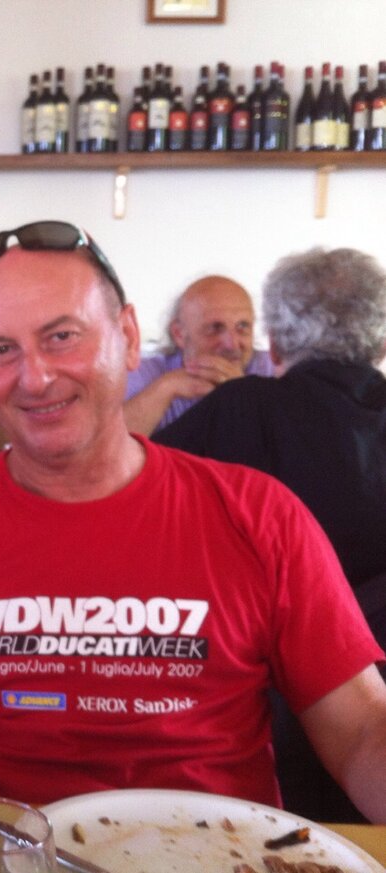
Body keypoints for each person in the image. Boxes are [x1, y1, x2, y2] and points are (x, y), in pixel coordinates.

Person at [0, 220, 386, 823]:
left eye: (62, 337)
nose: (35, 378)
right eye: (1, 350)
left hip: (218, 850)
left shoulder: (262, 515)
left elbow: (362, 730)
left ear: (128, 335)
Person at [153, 246, 386, 822]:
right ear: (380, 344)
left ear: (274, 344)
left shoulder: (240, 407)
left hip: (256, 716)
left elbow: (127, 486)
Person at [124, 275, 275, 435]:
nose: (231, 344)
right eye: (215, 328)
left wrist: (243, 395)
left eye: (243, 327)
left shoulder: (274, 368)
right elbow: (108, 443)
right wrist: (166, 389)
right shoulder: (141, 373)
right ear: (179, 334)